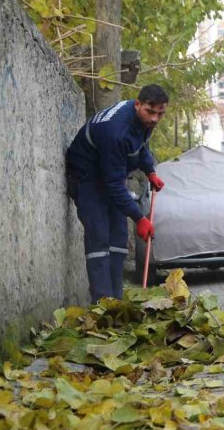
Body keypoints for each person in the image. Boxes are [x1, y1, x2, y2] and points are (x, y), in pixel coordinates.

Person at [65, 85, 168, 302]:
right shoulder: (115, 131)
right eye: (151, 112)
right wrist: (139, 218)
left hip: (110, 173)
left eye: (160, 114)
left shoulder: (143, 119)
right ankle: (103, 303)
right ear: (138, 104)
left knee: (119, 236)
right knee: (99, 237)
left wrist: (149, 171)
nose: (155, 119)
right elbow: (113, 185)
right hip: (87, 177)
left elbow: (141, 147)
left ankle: (117, 299)